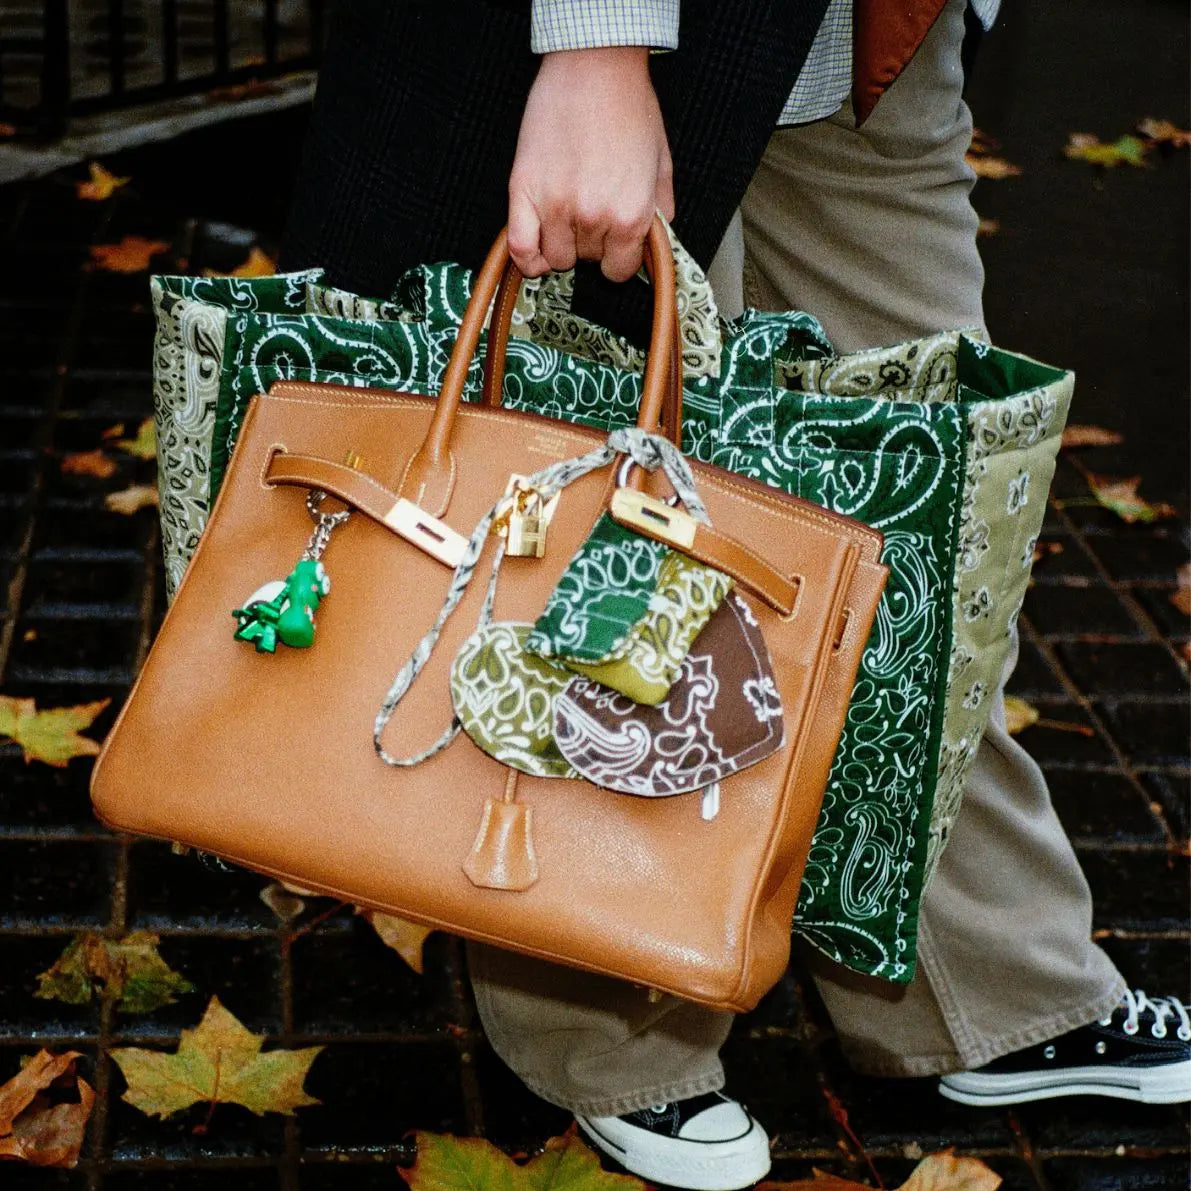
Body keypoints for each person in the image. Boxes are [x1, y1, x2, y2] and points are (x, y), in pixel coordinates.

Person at [283, 4, 1190, 1188]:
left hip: (867, 42)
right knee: (614, 518)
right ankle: (612, 1031)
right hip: (646, 38)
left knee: (929, 530)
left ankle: (976, 981)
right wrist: (593, 42)